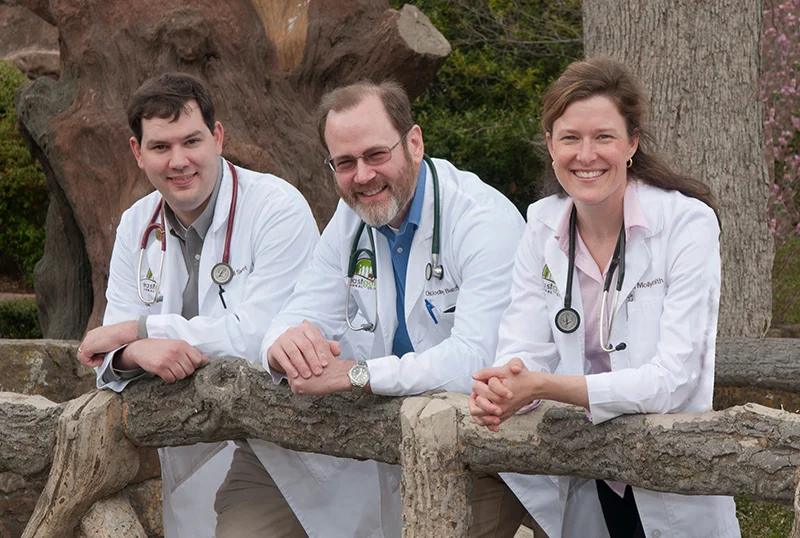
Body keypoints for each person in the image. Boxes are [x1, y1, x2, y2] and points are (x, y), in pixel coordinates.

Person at [211, 80, 562, 538]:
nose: (362, 176)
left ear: (414, 143)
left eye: (376, 155)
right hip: (380, 441)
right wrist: (284, 347)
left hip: (485, 448)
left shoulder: (482, 219)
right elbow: (299, 312)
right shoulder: (352, 219)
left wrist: (359, 374)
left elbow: (475, 362)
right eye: (344, 163)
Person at [469, 56, 742, 538]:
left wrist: (542, 386)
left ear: (632, 142)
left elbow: (673, 381)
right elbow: (522, 350)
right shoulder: (541, 224)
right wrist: (504, 388)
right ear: (550, 144)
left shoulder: (687, 223)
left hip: (671, 475)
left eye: (604, 137)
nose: (586, 154)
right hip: (587, 475)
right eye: (570, 138)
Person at [76, 72, 320, 538]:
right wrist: (134, 350)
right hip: (188, 452)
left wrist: (141, 331)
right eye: (160, 146)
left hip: (285, 453)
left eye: (191, 141)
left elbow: (259, 336)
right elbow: (107, 353)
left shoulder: (277, 208)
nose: (179, 161)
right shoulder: (136, 224)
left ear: (218, 137)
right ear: (137, 152)